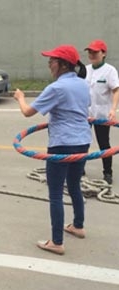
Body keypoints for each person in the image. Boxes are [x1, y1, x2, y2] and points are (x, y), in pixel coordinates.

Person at [14, 45, 91, 255]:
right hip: (83, 141)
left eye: (52, 60)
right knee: (74, 185)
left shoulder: (56, 88)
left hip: (62, 144)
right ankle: (78, 226)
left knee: (56, 193)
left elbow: (28, 112)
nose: (49, 64)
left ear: (63, 65)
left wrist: (20, 97)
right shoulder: (83, 85)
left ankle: (56, 242)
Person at [84, 39, 119, 184]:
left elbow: (116, 90)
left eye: (95, 52)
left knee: (104, 143)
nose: (92, 55)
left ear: (103, 53)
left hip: (102, 114)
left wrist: (113, 109)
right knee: (82, 142)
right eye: (90, 52)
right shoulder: (85, 69)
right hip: (85, 114)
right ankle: (79, 169)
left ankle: (108, 173)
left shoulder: (110, 70)